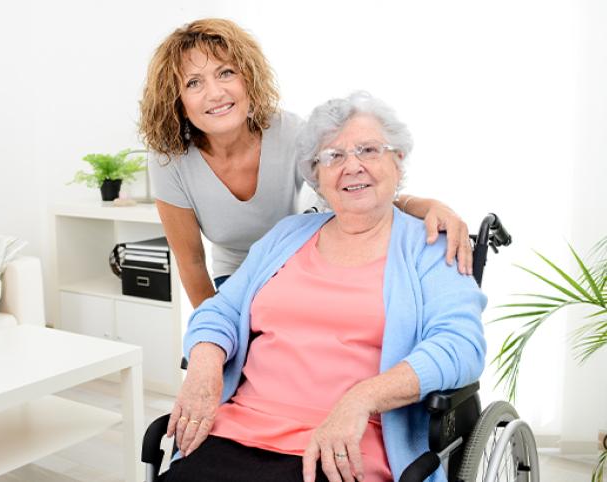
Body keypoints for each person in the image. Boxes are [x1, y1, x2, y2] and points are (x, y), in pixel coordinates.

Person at [159, 92, 486, 482]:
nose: (352, 166)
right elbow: (222, 309)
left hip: (346, 445)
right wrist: (205, 363)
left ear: (397, 162)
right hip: (238, 431)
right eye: (333, 156)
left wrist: (362, 398)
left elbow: (461, 345)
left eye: (368, 149)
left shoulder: (431, 245)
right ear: (316, 176)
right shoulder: (288, 235)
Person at [139, 18, 473, 309]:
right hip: (237, 276)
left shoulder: (288, 132)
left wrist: (425, 205)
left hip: (299, 263)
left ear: (248, 81)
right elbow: (192, 262)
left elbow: (351, 188)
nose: (215, 93)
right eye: (193, 83)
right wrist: (216, 338)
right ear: (178, 102)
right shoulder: (171, 162)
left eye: (226, 73)